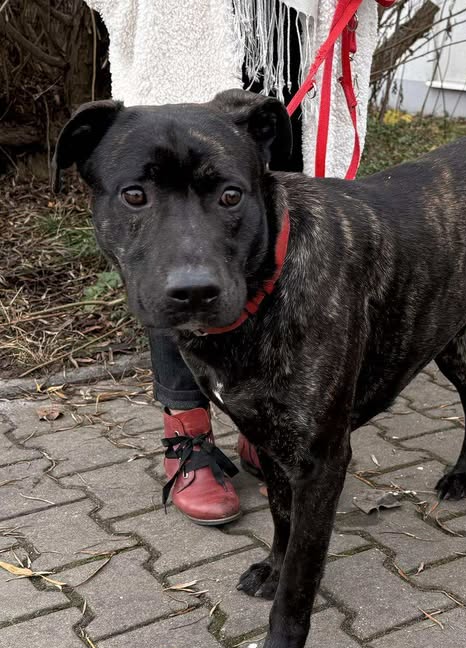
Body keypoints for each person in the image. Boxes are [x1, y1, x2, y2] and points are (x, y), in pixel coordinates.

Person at [81, 0, 379, 525]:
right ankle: (187, 437)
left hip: (294, 35)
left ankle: (262, 425)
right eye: (133, 198)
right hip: (189, 21)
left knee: (269, 243)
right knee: (174, 272)